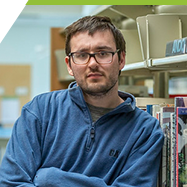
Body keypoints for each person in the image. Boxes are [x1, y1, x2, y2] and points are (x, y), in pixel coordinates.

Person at [0, 16, 164, 187]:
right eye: (81, 55)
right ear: (69, 65)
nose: (92, 63)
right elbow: (11, 183)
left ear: (121, 59)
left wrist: (49, 179)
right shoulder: (39, 111)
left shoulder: (145, 130)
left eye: (103, 53)